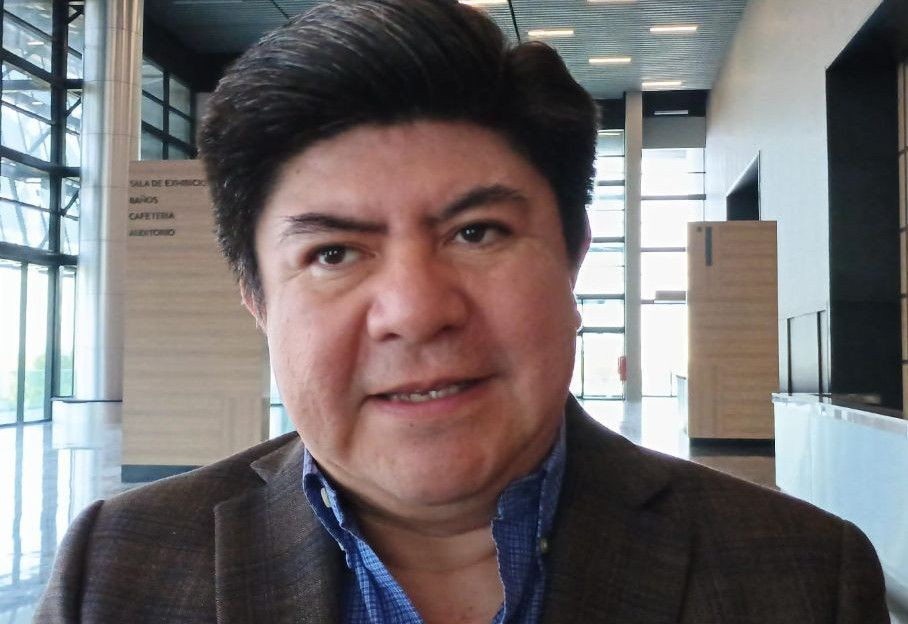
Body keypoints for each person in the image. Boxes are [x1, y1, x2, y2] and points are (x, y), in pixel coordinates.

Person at [36, 0, 890, 622]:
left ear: (571, 254)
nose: (415, 312)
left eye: (477, 232)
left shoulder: (800, 578)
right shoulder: (117, 572)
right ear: (256, 298)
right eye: (333, 253)